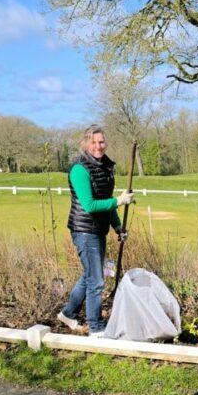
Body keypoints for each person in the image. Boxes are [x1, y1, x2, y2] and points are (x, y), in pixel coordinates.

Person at [57, 126, 134, 337]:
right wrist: (119, 201)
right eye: (93, 142)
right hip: (84, 230)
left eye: (101, 142)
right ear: (85, 143)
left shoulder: (106, 167)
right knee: (97, 281)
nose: (98, 146)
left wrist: (117, 226)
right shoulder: (79, 170)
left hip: (98, 230)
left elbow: (107, 203)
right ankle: (96, 327)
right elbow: (90, 205)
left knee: (89, 275)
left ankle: (68, 313)